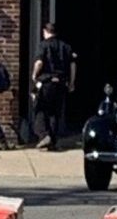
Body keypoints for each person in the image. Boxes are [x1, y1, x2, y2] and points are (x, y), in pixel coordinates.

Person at [31, 22, 76, 151]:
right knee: (55, 113)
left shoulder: (44, 45)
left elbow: (39, 62)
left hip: (47, 82)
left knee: (40, 109)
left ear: (45, 31)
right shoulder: (66, 46)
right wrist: (72, 82)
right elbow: (73, 65)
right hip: (61, 82)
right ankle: (52, 141)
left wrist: (34, 74)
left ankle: (44, 135)